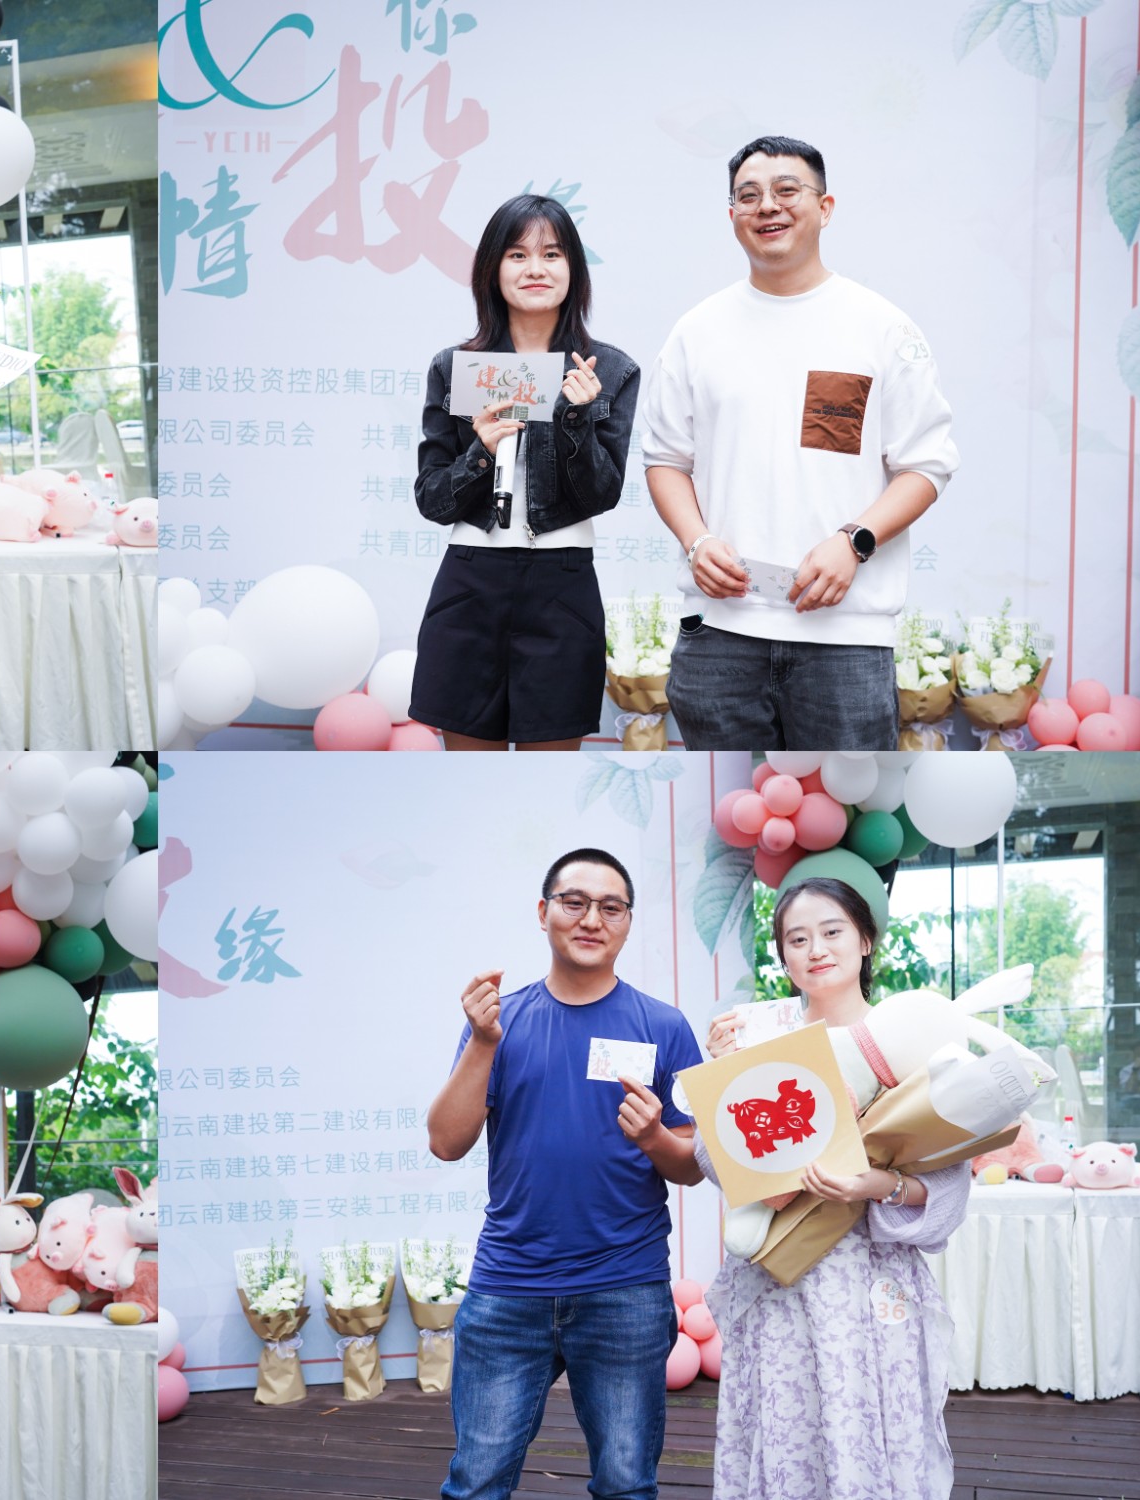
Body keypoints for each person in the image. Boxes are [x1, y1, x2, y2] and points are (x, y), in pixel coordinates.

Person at [641, 136, 960, 750]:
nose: (767, 206)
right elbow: (665, 460)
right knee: (730, 799)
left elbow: (926, 465)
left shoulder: (880, 327)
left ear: (825, 207)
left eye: (787, 190)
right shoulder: (697, 331)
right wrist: (696, 540)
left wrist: (855, 542)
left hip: (845, 639)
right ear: (732, 214)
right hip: (720, 635)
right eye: (748, 195)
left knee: (849, 802)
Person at [426, 849, 702, 1500]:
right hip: (508, 1287)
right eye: (574, 902)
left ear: (628, 922)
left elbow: (692, 1165)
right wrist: (483, 1043)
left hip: (626, 1287)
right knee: (476, 1482)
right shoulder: (500, 1023)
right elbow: (445, 1142)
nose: (591, 919)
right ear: (543, 911)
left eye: (611, 907)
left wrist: (655, 1137)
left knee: (627, 1484)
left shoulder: (664, 1026)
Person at [687, 877, 969, 1498]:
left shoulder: (910, 1040)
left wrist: (876, 1185)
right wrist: (722, 1079)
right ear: (783, 958)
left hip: (871, 1281)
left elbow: (950, 1182)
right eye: (797, 939)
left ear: (865, 941)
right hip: (782, 1279)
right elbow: (713, 1159)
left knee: (871, 1428)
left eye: (832, 931)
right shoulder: (759, 1039)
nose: (816, 949)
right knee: (787, 1432)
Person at [410, 195, 640, 750]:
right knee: (470, 768)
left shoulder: (608, 370)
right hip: (469, 583)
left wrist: (575, 421)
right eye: (517, 255)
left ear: (573, 269)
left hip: (562, 585)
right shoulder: (455, 367)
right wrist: (481, 451)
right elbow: (432, 500)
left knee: (551, 761)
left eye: (552, 254)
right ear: (492, 269)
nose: (535, 268)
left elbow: (602, 494)